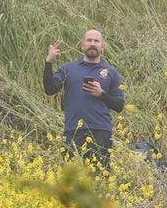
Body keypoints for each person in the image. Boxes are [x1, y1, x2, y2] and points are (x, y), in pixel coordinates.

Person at [41, 30, 126, 168]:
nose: (92, 44)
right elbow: (50, 90)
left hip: (101, 132)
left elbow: (119, 106)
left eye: (96, 41)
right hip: (73, 131)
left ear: (102, 47)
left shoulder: (111, 72)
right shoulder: (67, 68)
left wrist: (101, 94)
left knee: (100, 178)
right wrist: (48, 62)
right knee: (71, 181)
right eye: (89, 40)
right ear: (82, 45)